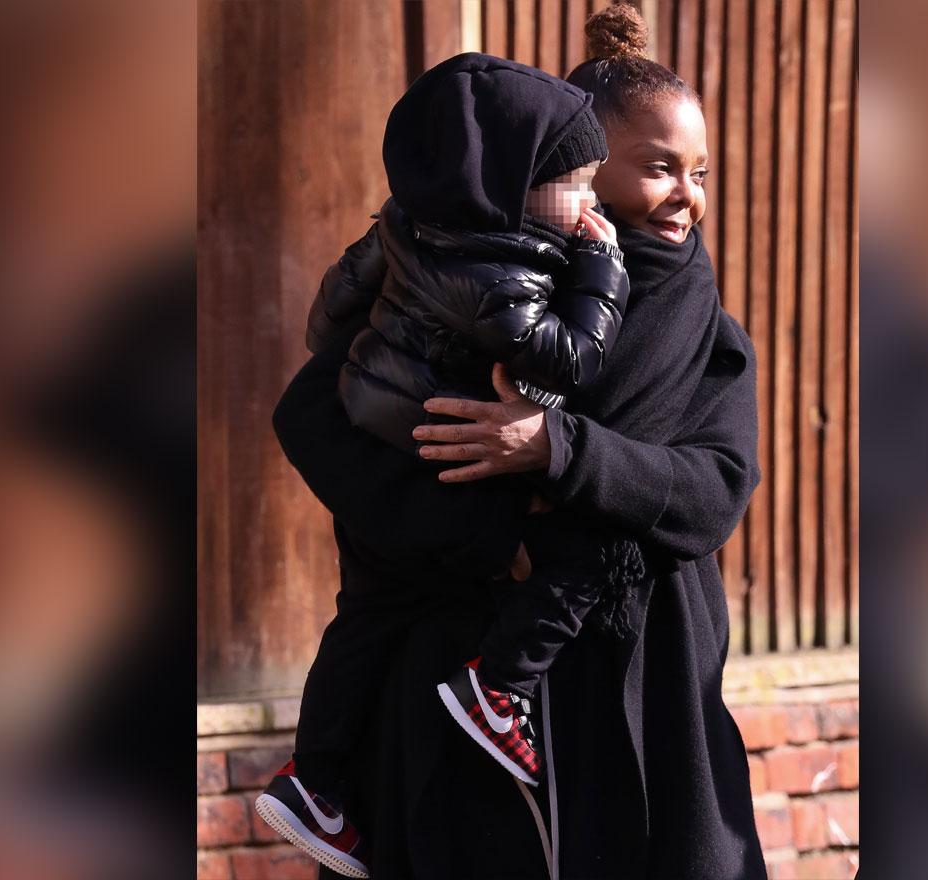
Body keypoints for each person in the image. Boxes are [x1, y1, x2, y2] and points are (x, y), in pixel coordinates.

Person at [272, 4, 766, 878]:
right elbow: (315, 416)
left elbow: (712, 491)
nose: (688, 197)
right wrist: (489, 539)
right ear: (570, 170)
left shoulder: (705, 333)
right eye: (657, 169)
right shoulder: (448, 288)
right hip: (451, 688)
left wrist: (558, 448)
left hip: (640, 698)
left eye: (700, 174)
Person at [254, 53, 637, 878]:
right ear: (518, 181)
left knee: (362, 617)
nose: (592, 206)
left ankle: (313, 781)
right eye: (578, 185)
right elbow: (570, 362)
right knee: (568, 558)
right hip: (438, 481)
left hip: (381, 435)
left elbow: (330, 314)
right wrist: (604, 270)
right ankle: (496, 692)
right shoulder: (502, 275)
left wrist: (379, 362)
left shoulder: (404, 225)